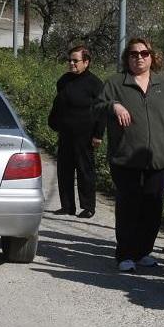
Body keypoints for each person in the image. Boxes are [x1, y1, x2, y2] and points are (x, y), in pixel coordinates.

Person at [97, 37, 164, 272]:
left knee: (153, 209)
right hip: (126, 159)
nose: (139, 58)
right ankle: (125, 254)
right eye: (134, 54)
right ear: (127, 58)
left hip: (159, 160)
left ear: (151, 57)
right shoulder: (116, 83)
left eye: (144, 53)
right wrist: (113, 106)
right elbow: (97, 106)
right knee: (129, 207)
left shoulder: (163, 86)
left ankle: (143, 251)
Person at [47, 44, 106, 218]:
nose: (71, 63)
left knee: (84, 171)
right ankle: (67, 206)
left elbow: (102, 111)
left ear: (86, 62)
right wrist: (53, 123)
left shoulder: (95, 84)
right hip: (66, 134)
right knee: (64, 170)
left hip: (85, 136)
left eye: (75, 60)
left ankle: (88, 207)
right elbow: (58, 104)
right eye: (70, 60)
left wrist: (98, 135)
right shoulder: (64, 80)